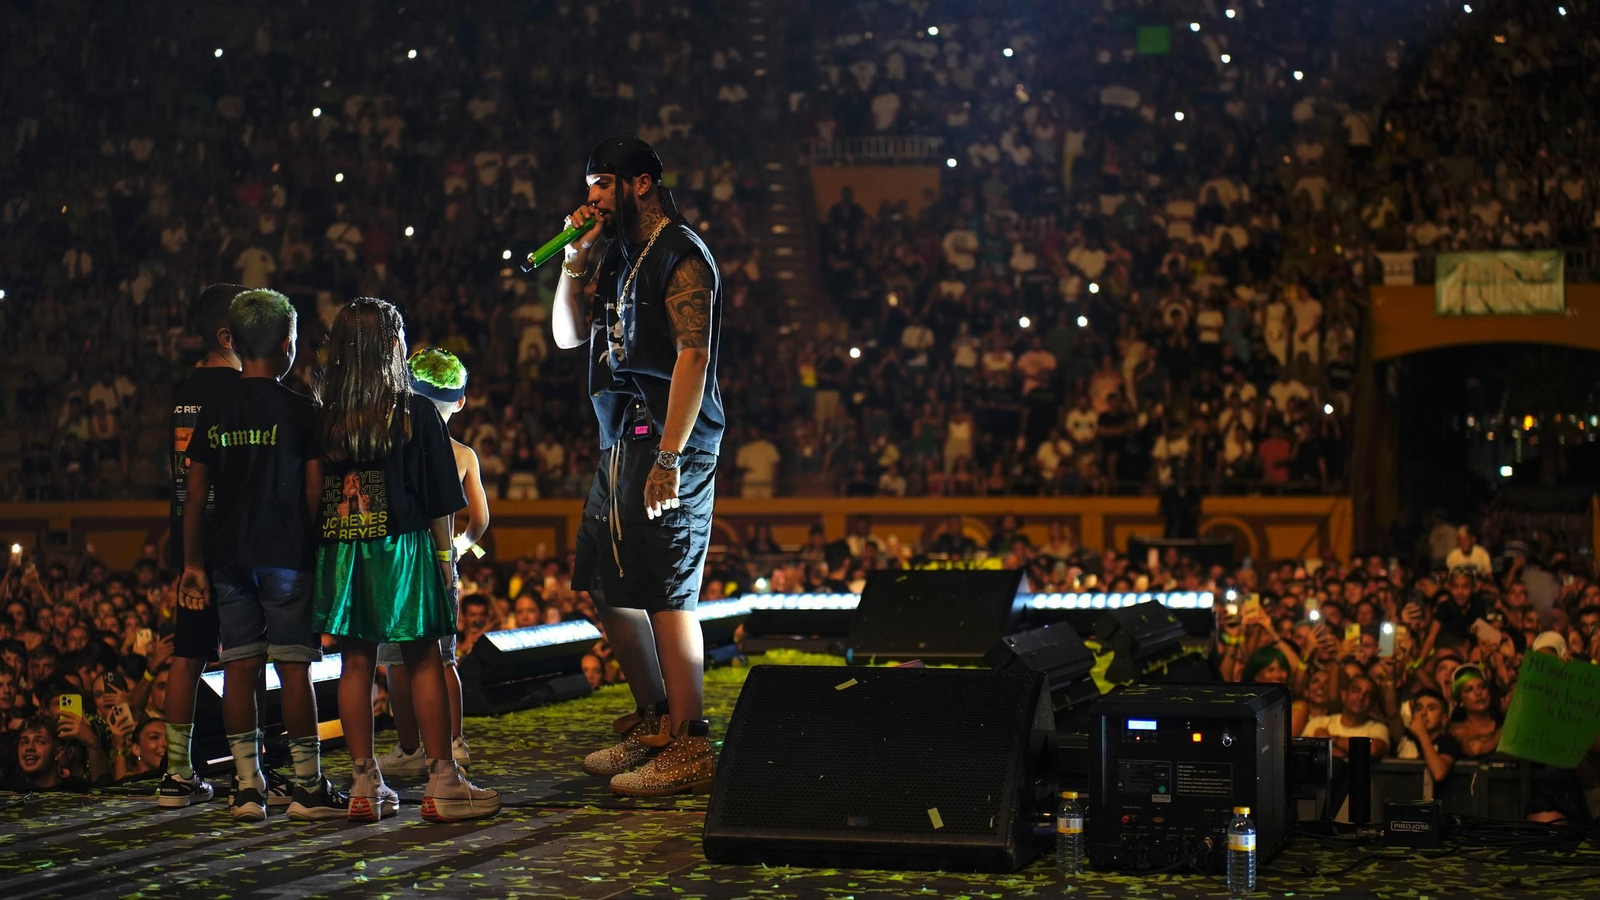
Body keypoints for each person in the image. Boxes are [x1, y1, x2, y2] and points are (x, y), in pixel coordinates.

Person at [553, 136, 723, 797]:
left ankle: (691, 742)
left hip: (668, 440)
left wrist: (671, 457)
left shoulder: (682, 254)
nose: (590, 196)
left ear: (640, 184)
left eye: (602, 183)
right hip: (620, 437)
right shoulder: (620, 254)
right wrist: (572, 259)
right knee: (607, 583)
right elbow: (569, 336)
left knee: (667, 586)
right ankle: (654, 723)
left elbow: (693, 357)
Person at [312, 298, 499, 822]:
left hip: (344, 547)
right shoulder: (413, 411)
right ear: (394, 347)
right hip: (404, 546)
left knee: (355, 663)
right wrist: (446, 563)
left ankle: (364, 786)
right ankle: (444, 782)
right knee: (424, 660)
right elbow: (442, 501)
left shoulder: (325, 415)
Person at [180, 289, 344, 822]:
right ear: (287, 344)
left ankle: (247, 788)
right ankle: (308, 787)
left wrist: (194, 564)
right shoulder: (301, 410)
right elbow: (315, 492)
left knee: (240, 668)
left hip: (228, 558)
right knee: (295, 669)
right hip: (287, 555)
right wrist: (316, 549)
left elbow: (196, 494)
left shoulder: (217, 409)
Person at [376, 349, 488, 777]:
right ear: (459, 402)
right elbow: (480, 519)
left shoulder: (391, 447)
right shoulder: (463, 455)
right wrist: (460, 547)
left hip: (396, 562)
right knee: (443, 661)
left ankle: (409, 750)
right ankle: (455, 742)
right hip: (442, 566)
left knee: (397, 664)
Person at [159, 283, 243, 810]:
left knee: (186, 657)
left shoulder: (182, 388)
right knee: (242, 659)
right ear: (228, 335)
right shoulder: (239, 390)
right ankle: (247, 774)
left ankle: (175, 774)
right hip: (232, 542)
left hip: (187, 540)